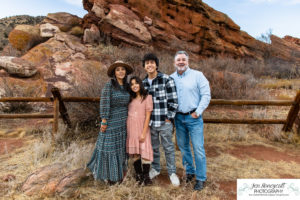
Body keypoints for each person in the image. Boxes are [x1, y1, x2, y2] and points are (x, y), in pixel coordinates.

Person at [87, 60, 133, 184]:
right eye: (118, 70)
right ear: (114, 72)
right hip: (111, 121)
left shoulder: (128, 87)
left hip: (124, 121)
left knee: (121, 148)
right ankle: (109, 176)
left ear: (126, 72)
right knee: (109, 148)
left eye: (123, 69)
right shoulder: (109, 86)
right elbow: (105, 103)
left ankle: (119, 175)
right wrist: (104, 120)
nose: (121, 72)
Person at [171, 51, 211, 191]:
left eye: (183, 59)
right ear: (174, 63)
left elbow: (206, 95)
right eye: (178, 60)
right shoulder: (171, 78)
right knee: (183, 147)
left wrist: (198, 112)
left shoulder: (198, 75)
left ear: (188, 61)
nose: (181, 62)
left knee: (198, 149)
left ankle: (201, 178)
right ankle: (190, 172)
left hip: (193, 118)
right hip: (178, 118)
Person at [142, 53, 180, 186]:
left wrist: (169, 118)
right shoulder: (143, 83)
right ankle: (156, 168)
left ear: (156, 65)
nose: (150, 65)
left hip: (164, 122)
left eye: (152, 62)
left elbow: (174, 101)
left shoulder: (166, 79)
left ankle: (172, 172)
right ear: (144, 67)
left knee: (168, 147)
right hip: (150, 123)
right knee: (154, 147)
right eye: (147, 63)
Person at [127, 76, 153, 185]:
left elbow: (148, 117)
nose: (134, 86)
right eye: (132, 84)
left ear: (140, 84)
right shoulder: (130, 98)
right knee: (135, 152)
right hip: (131, 127)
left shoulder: (147, 97)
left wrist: (143, 132)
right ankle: (139, 175)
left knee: (145, 150)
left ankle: (146, 176)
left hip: (142, 127)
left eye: (136, 83)